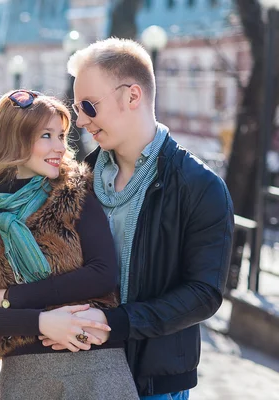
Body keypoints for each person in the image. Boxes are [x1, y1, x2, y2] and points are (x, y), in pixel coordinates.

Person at [38, 38, 235, 399]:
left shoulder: (200, 186)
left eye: (88, 106)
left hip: (154, 384)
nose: (80, 120)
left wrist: (117, 323)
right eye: (77, 107)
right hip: (79, 371)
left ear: (132, 96)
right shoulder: (81, 176)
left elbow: (204, 293)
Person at [0, 89, 139, 399]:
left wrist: (12, 297)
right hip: (26, 378)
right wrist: (42, 323)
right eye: (46, 136)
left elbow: (103, 272)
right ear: (14, 138)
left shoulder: (75, 192)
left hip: (96, 370)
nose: (59, 147)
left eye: (62, 136)